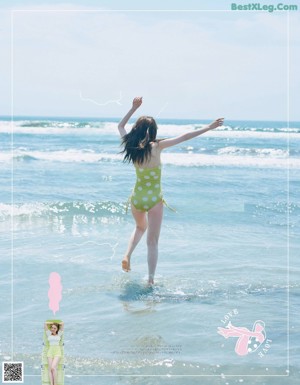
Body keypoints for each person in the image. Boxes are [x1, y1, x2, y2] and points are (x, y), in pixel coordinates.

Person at [118, 96, 224, 285]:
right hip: (154, 200)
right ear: (153, 131)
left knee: (140, 227)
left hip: (137, 198)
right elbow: (185, 137)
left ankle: (127, 254)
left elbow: (120, 126)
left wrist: (133, 108)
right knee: (152, 242)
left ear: (137, 130)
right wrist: (209, 127)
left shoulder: (131, 146)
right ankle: (150, 280)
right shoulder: (157, 146)